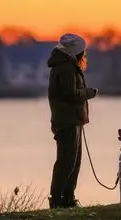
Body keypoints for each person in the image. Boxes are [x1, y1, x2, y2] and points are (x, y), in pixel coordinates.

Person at [47, 33, 98, 209]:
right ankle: (58, 200)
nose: (85, 55)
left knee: (73, 163)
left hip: (73, 120)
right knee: (66, 162)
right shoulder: (66, 68)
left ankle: (68, 199)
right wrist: (89, 93)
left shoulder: (67, 66)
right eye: (83, 52)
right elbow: (70, 94)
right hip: (66, 121)